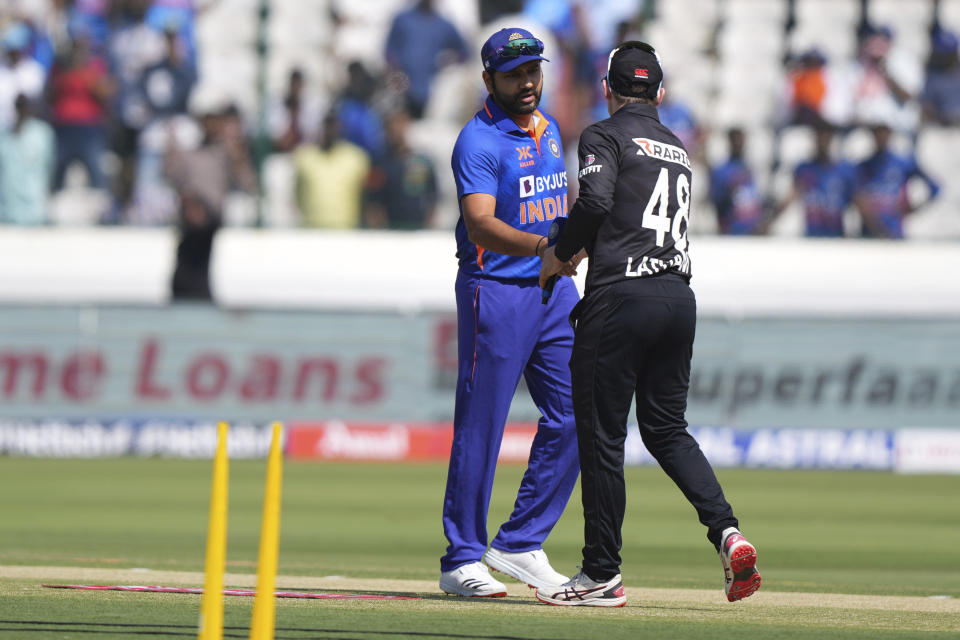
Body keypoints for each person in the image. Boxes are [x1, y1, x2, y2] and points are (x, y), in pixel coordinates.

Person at [536, 41, 761, 607]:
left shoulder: (602, 134)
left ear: (607, 88)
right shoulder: (679, 148)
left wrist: (561, 252)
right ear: (660, 93)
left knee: (603, 438)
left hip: (621, 297)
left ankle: (600, 573)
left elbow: (595, 201)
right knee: (666, 430)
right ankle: (727, 531)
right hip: (677, 298)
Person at [440, 27, 582, 598]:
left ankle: (521, 541)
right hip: (495, 290)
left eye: (533, 71)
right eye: (514, 74)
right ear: (488, 79)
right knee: (483, 424)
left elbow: (558, 201)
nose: (527, 83)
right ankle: (463, 558)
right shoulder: (477, 141)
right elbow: (480, 223)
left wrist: (574, 241)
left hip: (552, 293)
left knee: (582, 409)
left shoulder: (548, 129)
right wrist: (543, 249)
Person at [853, 122, 940, 239]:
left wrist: (915, 208)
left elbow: (934, 188)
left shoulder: (902, 163)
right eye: (877, 132)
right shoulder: (862, 167)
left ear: (890, 134)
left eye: (884, 132)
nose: (881, 137)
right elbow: (856, 198)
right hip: (869, 235)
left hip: (895, 233)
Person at [768, 123, 856, 237]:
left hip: (836, 235)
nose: (823, 143)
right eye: (820, 138)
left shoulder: (843, 170)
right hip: (812, 235)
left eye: (826, 138)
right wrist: (767, 223)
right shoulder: (804, 169)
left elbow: (857, 199)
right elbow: (791, 196)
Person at [363, 108, 437, 230]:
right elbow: (373, 204)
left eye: (401, 123)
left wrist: (427, 228)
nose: (397, 129)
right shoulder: (379, 164)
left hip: (419, 231)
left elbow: (433, 198)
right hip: (391, 233)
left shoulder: (423, 162)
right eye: (392, 124)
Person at [293, 111, 369, 228]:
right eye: (326, 125)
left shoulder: (356, 159)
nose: (329, 131)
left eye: (333, 125)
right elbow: (297, 196)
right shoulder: (304, 157)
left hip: (346, 236)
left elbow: (365, 199)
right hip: (311, 236)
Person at [0, 94, 55, 225]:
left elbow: (49, 167)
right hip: (6, 211)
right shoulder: (4, 137)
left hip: (35, 210)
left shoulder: (42, 134)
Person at [708, 127, 766, 235]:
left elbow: (757, 198)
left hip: (752, 231)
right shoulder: (721, 170)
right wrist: (730, 187)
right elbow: (716, 201)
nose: (739, 144)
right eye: (735, 140)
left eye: (741, 140)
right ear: (729, 142)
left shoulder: (750, 168)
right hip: (732, 230)